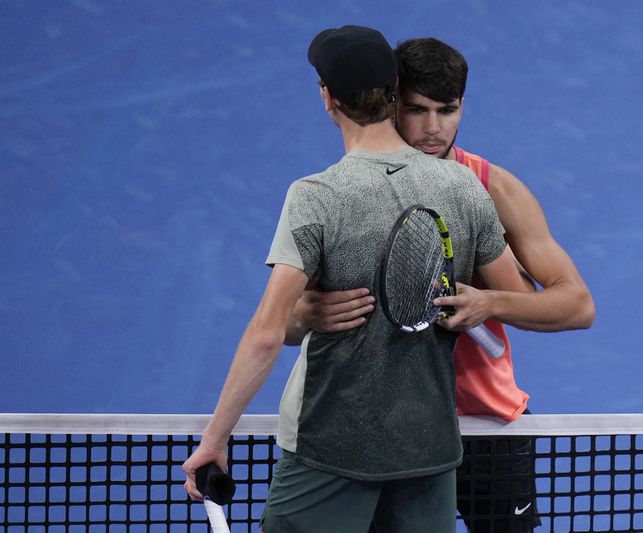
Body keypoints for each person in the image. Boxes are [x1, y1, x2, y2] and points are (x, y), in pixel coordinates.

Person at [182, 26, 534, 532]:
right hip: (429, 451)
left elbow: (266, 333)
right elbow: (517, 299)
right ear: (395, 91)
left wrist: (216, 439)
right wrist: (472, 300)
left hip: (331, 450)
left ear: (328, 98)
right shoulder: (462, 185)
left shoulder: (317, 196)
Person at [289, 37, 595, 532]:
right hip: (386, 426)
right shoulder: (345, 192)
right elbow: (283, 323)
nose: (433, 129)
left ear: (462, 107)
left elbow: (577, 306)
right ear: (390, 103)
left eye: (447, 110)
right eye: (416, 110)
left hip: (484, 425)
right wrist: (307, 316)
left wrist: (490, 301)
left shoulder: (494, 188)